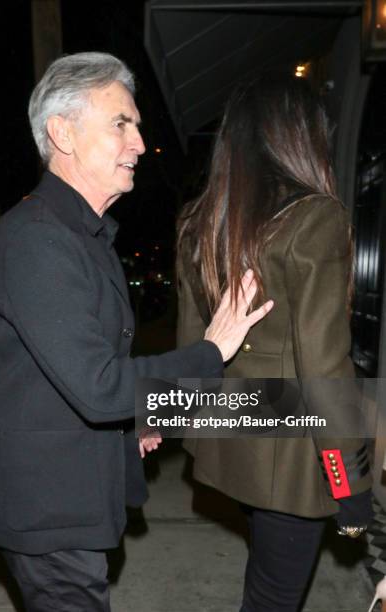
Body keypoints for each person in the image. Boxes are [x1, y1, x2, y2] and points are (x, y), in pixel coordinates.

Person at [0, 52, 272, 612]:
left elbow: (60, 380)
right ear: (63, 133)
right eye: (120, 124)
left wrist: (135, 423)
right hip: (49, 514)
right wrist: (210, 352)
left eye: (137, 125)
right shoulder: (38, 239)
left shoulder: (85, 236)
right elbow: (99, 386)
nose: (137, 143)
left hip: (71, 497)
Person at [177, 73, 373, 612]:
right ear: (300, 138)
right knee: (274, 600)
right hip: (290, 454)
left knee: (264, 586)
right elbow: (324, 368)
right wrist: (350, 484)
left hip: (229, 437)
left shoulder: (200, 224)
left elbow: (192, 345)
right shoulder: (315, 220)